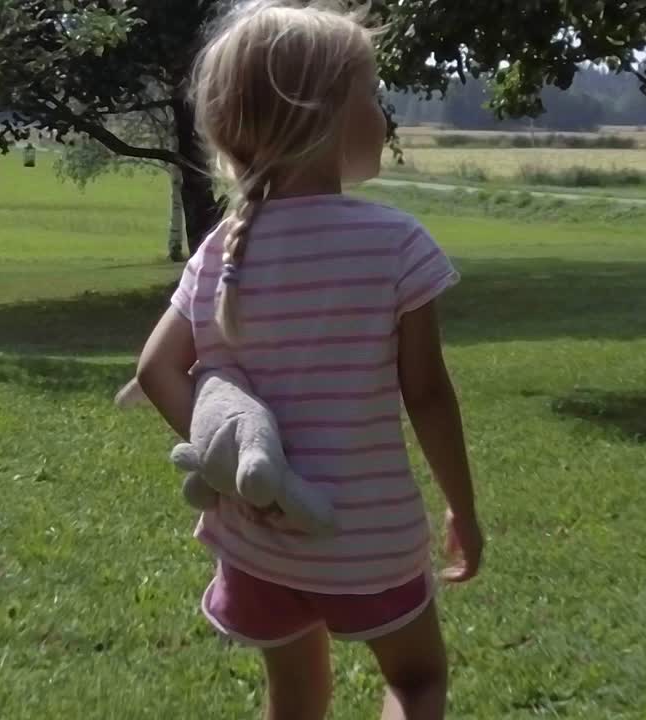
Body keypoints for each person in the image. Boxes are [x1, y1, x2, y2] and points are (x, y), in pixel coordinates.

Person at [133, 2, 483, 718]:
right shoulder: (396, 243)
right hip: (367, 538)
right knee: (416, 680)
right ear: (322, 116)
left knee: (294, 697)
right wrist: (463, 508)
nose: (383, 116)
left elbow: (156, 370)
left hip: (256, 543)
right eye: (372, 96)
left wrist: (229, 466)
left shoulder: (220, 250)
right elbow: (427, 395)